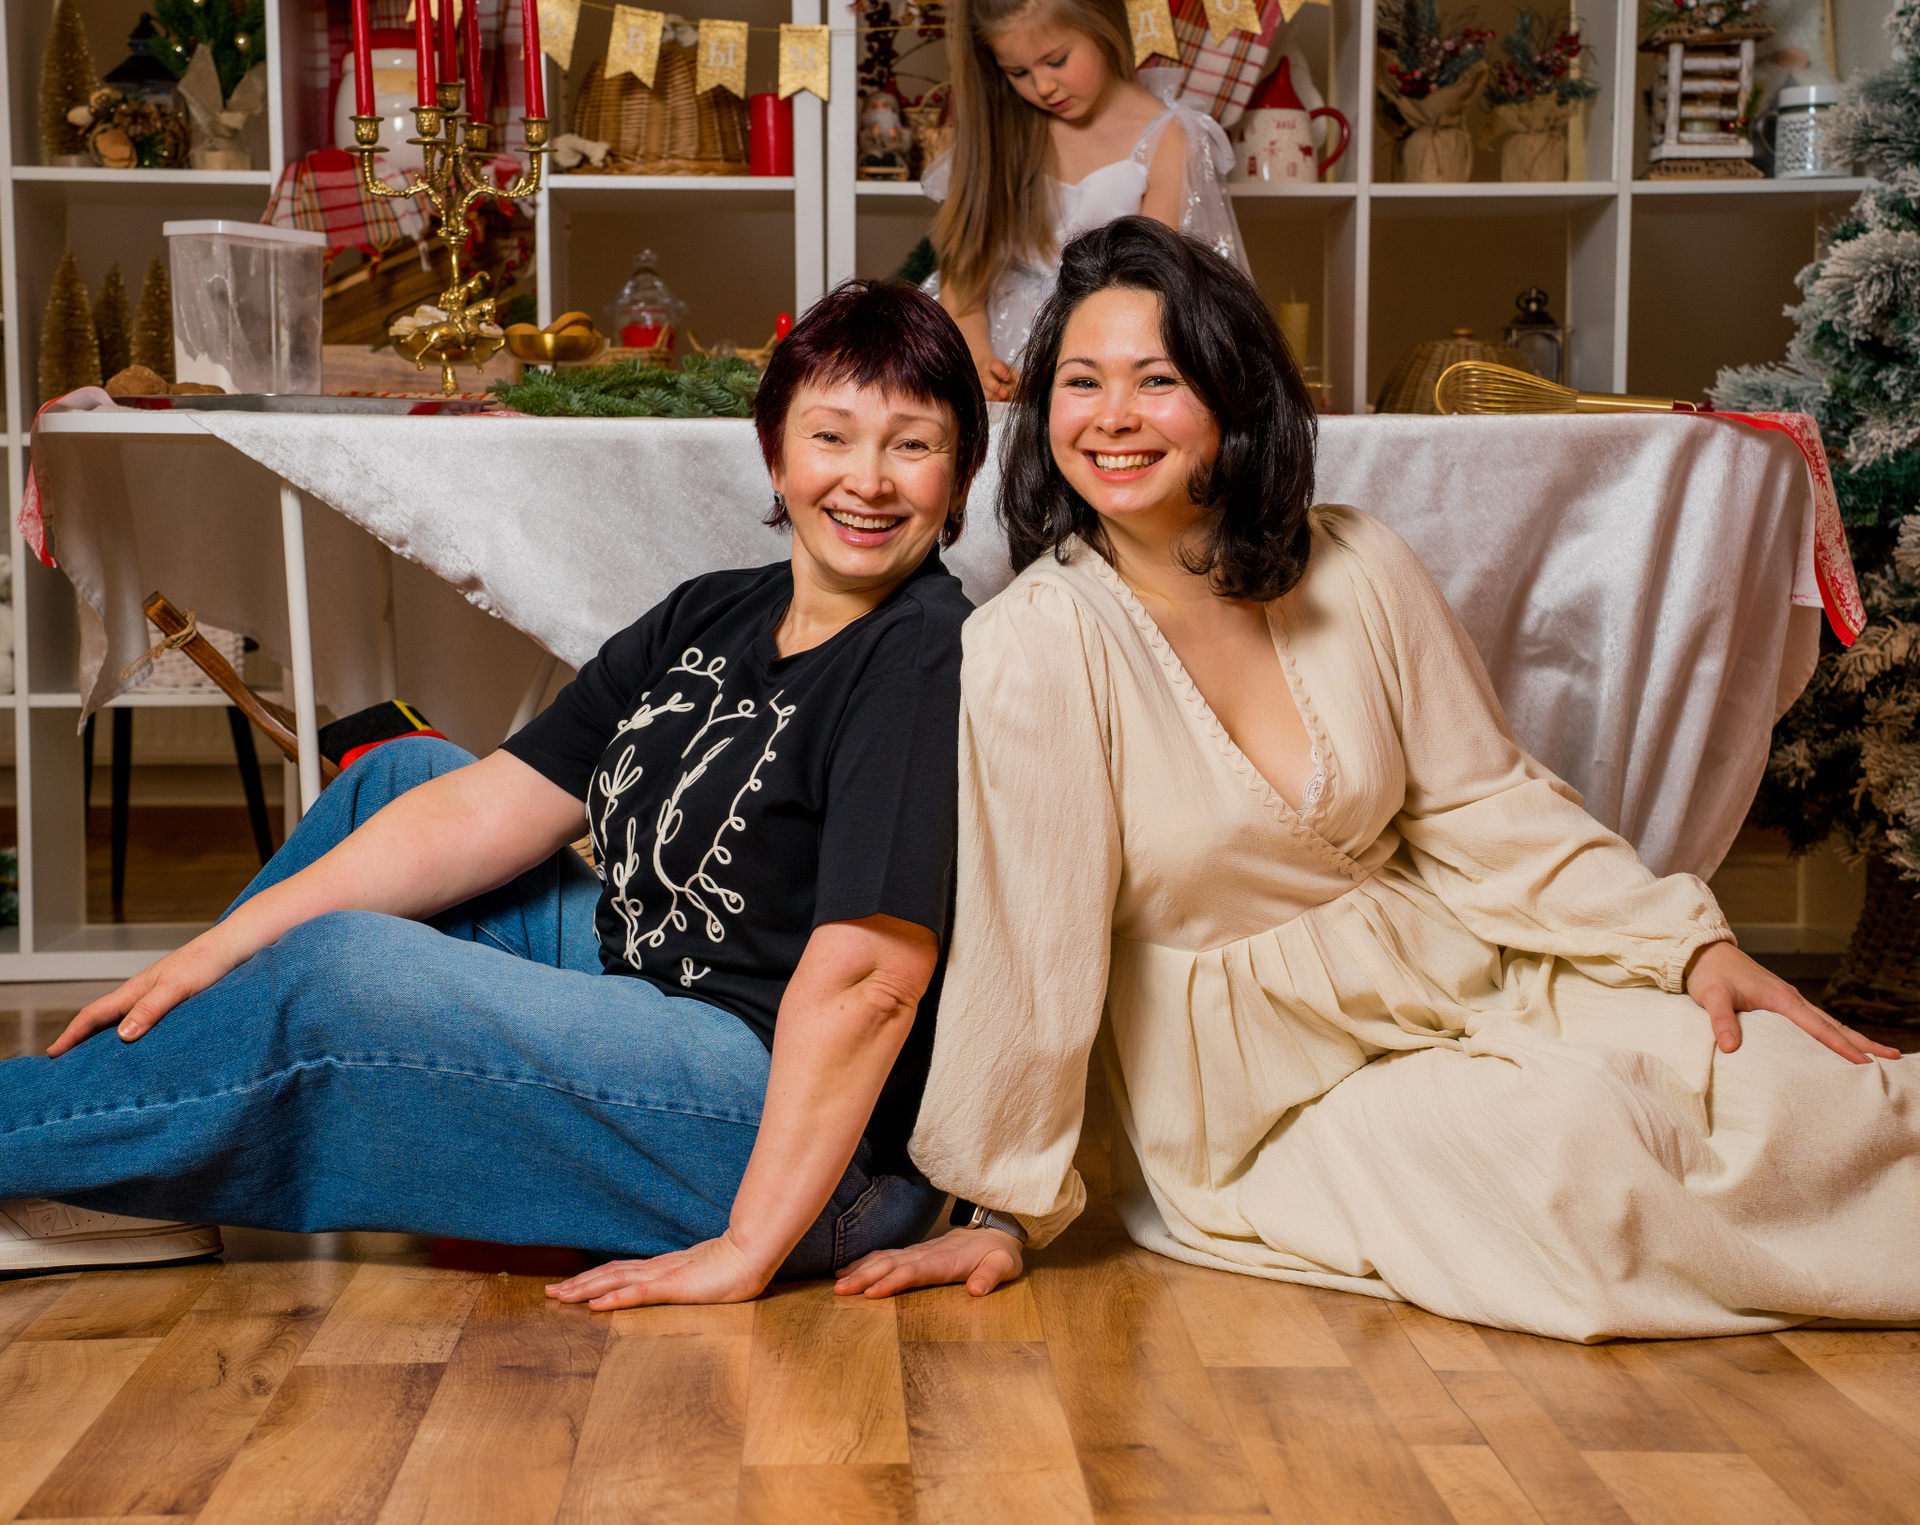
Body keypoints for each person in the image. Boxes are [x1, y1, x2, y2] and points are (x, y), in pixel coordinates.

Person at [836, 218, 1920, 1341]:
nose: (1113, 416)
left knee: (1795, 1086)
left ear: (1233, 393)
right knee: (1576, 1148)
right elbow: (1032, 939)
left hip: (1467, 972)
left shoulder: (1355, 562)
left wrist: (1685, 944)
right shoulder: (1036, 642)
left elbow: (1489, 803)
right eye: (1081, 381)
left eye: (1157, 379)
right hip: (1268, 1091)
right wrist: (1001, 1205)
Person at [0, 279, 989, 1311]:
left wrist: (748, 1246)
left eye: (912, 445)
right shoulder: (715, 610)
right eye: (832, 436)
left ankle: (63, 1154)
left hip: (787, 1127)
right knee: (397, 778)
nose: (868, 480)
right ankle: (124, 1159)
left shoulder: (924, 654)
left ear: (959, 474)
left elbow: (873, 980)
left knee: (346, 970)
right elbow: (488, 806)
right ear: (777, 453)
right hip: (647, 987)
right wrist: (216, 949)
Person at [926, 0, 1245, 401]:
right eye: (1018, 73)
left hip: (1112, 358)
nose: (1043, 86)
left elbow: (1156, 290)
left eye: (1056, 61)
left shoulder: (1167, 137)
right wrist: (979, 359)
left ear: (1102, 27)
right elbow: (963, 283)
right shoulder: (998, 135)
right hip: (1002, 360)